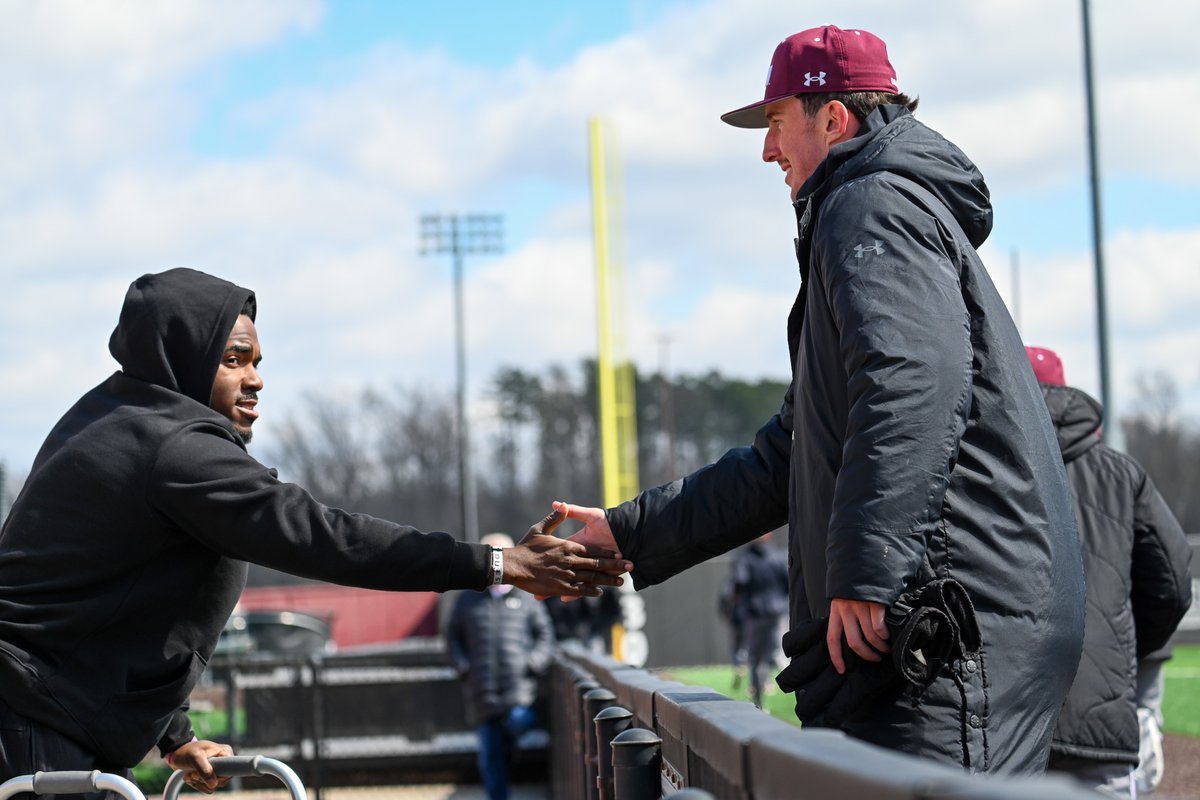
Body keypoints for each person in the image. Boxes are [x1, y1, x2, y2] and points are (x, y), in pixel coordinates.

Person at [555, 25, 1085, 775]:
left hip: (944, 629)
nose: (768, 150)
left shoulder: (871, 205)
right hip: (946, 615)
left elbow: (910, 385)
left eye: (776, 122)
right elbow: (790, 457)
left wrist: (871, 569)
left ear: (833, 120)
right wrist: (630, 533)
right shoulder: (876, 207)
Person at [0, 268, 630, 798]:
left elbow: (115, 600)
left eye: (257, 362)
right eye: (233, 359)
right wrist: (497, 564)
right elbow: (322, 537)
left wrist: (175, 734)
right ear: (183, 355)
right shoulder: (172, 445)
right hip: (34, 719)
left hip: (41, 713)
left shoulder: (117, 418)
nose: (255, 379)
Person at [1026, 346, 1192, 797]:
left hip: (1009, 726)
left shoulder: (978, 467)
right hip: (1099, 727)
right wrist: (1125, 647)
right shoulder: (1121, 473)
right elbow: (1174, 587)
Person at [446, 533, 556, 800]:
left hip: (519, 692)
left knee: (516, 728)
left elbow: (546, 637)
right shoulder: (468, 598)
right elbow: (452, 637)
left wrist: (533, 663)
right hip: (483, 695)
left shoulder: (527, 597)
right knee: (490, 758)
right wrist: (463, 666)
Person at [729, 533, 789, 708]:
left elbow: (740, 581)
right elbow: (788, 582)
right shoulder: (778, 556)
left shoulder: (744, 557)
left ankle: (759, 703)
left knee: (756, 659)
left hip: (754, 615)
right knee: (779, 654)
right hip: (776, 613)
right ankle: (799, 692)